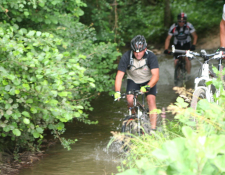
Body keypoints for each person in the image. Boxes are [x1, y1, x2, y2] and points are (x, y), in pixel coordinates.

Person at [114, 35, 159, 133]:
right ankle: (134, 118)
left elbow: (155, 76)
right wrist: (117, 91)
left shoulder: (151, 56)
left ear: (145, 49)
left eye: (140, 52)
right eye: (135, 52)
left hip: (148, 81)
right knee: (130, 100)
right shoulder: (126, 56)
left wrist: (148, 86)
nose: (138, 54)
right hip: (133, 80)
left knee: (150, 100)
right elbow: (119, 76)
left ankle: (153, 130)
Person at [164, 12, 198, 77]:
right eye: (180, 21)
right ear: (177, 20)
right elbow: (168, 39)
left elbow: (195, 36)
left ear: (185, 21)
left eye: (183, 21)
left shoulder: (189, 26)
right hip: (177, 45)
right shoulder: (173, 27)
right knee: (176, 61)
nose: (181, 23)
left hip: (186, 44)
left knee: (187, 58)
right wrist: (166, 49)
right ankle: (177, 76)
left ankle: (188, 74)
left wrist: (193, 45)